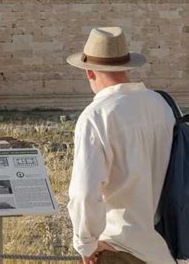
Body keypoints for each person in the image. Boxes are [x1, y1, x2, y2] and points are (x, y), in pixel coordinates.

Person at [66, 27, 175, 264]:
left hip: (121, 249)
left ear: (89, 73)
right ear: (126, 66)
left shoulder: (97, 116)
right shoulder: (163, 105)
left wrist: (86, 244)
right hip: (165, 248)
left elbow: (84, 193)